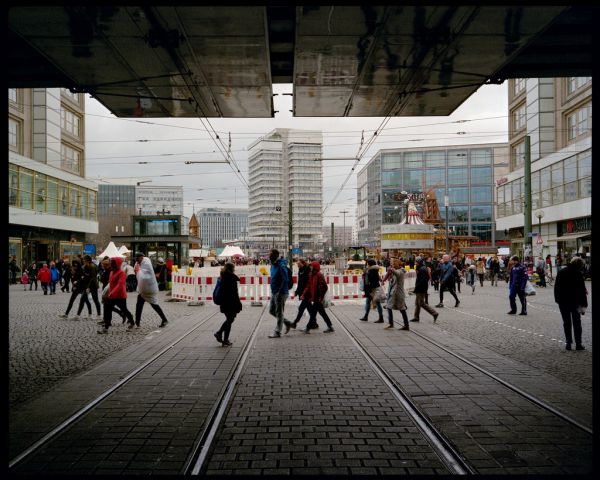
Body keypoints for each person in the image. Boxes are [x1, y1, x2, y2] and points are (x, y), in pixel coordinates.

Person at [554, 257, 587, 350]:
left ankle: (568, 343)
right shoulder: (578, 273)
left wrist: (558, 300)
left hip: (563, 302)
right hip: (575, 302)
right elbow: (582, 291)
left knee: (566, 322)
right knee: (577, 323)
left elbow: (556, 288)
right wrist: (584, 305)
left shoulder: (561, 272)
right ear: (579, 265)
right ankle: (578, 344)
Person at [98, 257, 134, 334]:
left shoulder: (122, 273)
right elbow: (110, 284)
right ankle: (106, 327)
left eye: (113, 263)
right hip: (111, 296)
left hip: (120, 296)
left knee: (124, 310)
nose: (112, 264)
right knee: (107, 310)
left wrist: (112, 293)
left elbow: (120, 285)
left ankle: (132, 322)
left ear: (117, 264)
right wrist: (107, 293)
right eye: (111, 263)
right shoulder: (111, 272)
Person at [135, 255, 169, 330]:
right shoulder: (143, 265)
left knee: (152, 304)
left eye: (138, 259)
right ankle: (137, 323)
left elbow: (143, 277)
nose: (138, 261)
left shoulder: (146, 264)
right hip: (145, 290)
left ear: (142, 258)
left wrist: (137, 271)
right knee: (145, 305)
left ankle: (137, 323)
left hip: (148, 290)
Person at [299, 261, 334, 333]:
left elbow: (324, 287)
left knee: (313, 314)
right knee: (322, 313)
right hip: (315, 297)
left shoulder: (319, 275)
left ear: (314, 267)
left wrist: (320, 297)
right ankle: (330, 326)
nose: (310, 267)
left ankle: (308, 328)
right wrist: (303, 294)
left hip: (317, 298)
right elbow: (308, 286)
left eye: (311, 266)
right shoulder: (311, 275)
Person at [213, 262, 242, 345]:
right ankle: (219, 333)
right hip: (230, 303)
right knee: (230, 319)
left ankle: (225, 339)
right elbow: (234, 293)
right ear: (231, 269)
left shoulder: (222, 277)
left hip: (224, 303)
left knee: (229, 320)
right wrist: (238, 303)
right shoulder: (231, 278)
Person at [267, 249, 290, 338]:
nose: (269, 256)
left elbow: (285, 279)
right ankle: (287, 323)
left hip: (280, 293)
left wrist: (279, 291)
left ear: (274, 256)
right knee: (272, 311)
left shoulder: (281, 265)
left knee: (279, 312)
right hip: (274, 292)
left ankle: (277, 331)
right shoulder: (273, 265)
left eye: (270, 254)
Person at [283, 258, 311, 333]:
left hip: (307, 293)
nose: (297, 265)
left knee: (301, 308)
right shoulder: (300, 271)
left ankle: (294, 323)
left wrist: (304, 293)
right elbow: (300, 283)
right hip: (303, 292)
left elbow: (307, 283)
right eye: (297, 264)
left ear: (303, 263)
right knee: (311, 310)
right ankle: (314, 323)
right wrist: (297, 291)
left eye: (299, 264)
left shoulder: (307, 270)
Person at [383, 259, 409, 330]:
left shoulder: (401, 271)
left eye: (392, 263)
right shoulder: (395, 271)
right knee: (389, 307)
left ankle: (406, 325)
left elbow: (397, 273)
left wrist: (392, 269)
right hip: (393, 293)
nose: (391, 264)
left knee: (402, 309)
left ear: (395, 264)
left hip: (398, 294)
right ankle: (391, 323)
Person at [410, 257, 439, 323]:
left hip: (421, 288)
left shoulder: (422, 269)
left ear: (419, 262)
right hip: (420, 288)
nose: (415, 263)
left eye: (416, 262)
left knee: (421, 303)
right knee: (417, 303)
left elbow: (423, 280)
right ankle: (416, 317)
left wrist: (418, 287)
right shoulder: (422, 268)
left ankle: (434, 313)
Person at [80, 255, 102, 319]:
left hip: (93, 285)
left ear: (88, 260)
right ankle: (90, 314)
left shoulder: (92, 266)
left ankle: (99, 315)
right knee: (84, 299)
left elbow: (92, 278)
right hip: (88, 285)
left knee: (95, 300)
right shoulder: (86, 266)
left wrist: (88, 287)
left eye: (84, 260)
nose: (83, 261)